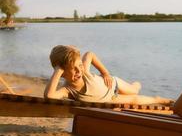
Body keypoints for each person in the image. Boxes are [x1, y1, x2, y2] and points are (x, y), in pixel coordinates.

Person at [44, 45, 172, 105]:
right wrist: (57, 71)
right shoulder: (67, 90)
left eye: (80, 66)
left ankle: (138, 85)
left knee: (134, 90)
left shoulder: (85, 73)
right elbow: (49, 96)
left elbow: (89, 54)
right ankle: (159, 100)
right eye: (73, 69)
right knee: (135, 100)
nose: (79, 71)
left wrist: (105, 73)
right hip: (112, 99)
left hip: (113, 84)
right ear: (62, 73)